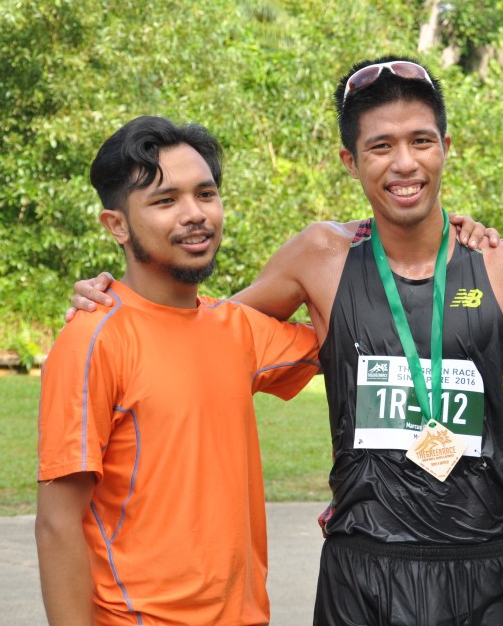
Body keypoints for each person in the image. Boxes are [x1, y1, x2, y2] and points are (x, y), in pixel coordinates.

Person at [72, 56, 503, 625]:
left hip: (480, 570)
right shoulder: (320, 258)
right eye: (381, 147)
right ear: (350, 162)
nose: (405, 163)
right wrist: (119, 296)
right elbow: (203, 327)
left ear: (445, 146)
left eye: (421, 141)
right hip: (362, 574)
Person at [34, 116, 324, 626]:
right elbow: (57, 524)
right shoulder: (93, 337)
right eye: (165, 201)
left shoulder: (237, 329)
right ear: (116, 224)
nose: (196, 215)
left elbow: (354, 335)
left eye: (206, 194)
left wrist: (448, 243)